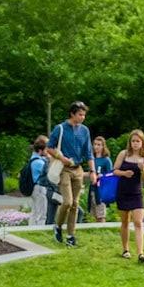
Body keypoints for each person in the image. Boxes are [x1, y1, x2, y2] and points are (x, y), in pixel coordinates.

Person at [47, 101, 93, 248]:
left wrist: (92, 171)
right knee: (67, 202)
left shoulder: (84, 131)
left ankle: (71, 236)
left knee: (75, 204)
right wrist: (61, 158)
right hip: (65, 169)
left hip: (78, 169)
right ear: (72, 114)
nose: (82, 117)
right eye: (80, 114)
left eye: (84, 115)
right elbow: (49, 148)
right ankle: (58, 226)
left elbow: (89, 152)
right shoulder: (60, 128)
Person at [113, 130, 144, 262]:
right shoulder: (123, 154)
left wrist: (143, 169)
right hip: (123, 191)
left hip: (136, 193)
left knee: (138, 222)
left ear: (142, 142)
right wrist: (124, 173)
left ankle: (141, 253)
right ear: (130, 142)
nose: (135, 144)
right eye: (133, 141)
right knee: (125, 222)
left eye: (138, 141)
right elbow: (114, 171)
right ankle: (125, 250)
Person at [25, 136, 52, 226]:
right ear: (41, 150)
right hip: (40, 188)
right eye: (46, 149)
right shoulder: (39, 162)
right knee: (42, 213)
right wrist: (49, 158)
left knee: (35, 211)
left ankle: (31, 228)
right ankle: (40, 228)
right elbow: (49, 172)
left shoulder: (34, 159)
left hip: (35, 188)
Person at [89, 135, 113, 222]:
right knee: (95, 213)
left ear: (103, 146)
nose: (96, 147)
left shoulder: (106, 160)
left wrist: (102, 175)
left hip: (101, 190)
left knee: (101, 214)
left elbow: (111, 174)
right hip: (92, 188)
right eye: (95, 144)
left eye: (99, 145)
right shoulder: (92, 159)